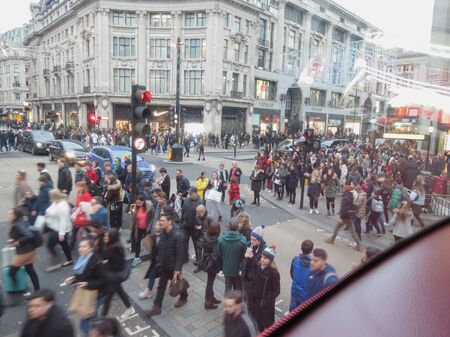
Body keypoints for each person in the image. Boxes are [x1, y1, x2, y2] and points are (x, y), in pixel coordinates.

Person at [145, 212, 188, 316]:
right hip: (164, 265)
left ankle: (184, 297)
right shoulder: (163, 232)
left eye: (163, 221)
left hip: (174, 268)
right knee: (161, 286)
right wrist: (158, 260)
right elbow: (161, 248)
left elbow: (180, 254)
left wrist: (177, 269)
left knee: (178, 285)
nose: (161, 223)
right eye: (160, 221)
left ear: (169, 222)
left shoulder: (177, 236)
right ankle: (157, 307)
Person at [64, 238, 107, 337]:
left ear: (91, 248)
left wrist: (88, 284)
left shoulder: (96, 262)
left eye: (84, 246)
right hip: (88, 293)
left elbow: (104, 280)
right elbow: (81, 274)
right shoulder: (83, 259)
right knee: (93, 318)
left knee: (84, 325)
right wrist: (74, 278)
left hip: (97, 295)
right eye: (80, 246)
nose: (80, 249)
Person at [101, 229, 134, 319]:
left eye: (107, 236)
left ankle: (103, 318)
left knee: (108, 297)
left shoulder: (115, 249)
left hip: (115, 275)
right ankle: (130, 308)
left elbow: (117, 265)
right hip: (114, 274)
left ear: (112, 238)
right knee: (120, 291)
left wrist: (106, 263)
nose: (105, 237)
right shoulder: (112, 246)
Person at [246, 245, 280, 332]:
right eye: (262, 257)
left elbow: (276, 290)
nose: (262, 259)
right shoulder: (257, 265)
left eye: (265, 258)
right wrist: (249, 259)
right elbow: (249, 275)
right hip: (254, 298)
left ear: (271, 260)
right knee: (255, 319)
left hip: (264, 303)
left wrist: (267, 300)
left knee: (264, 322)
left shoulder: (273, 273)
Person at [8, 207, 40, 292]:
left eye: (11, 214)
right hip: (29, 250)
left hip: (25, 252)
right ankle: (37, 289)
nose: (9, 215)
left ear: (15, 215)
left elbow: (29, 235)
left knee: (11, 272)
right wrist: (13, 240)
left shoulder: (17, 224)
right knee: (30, 270)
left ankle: (16, 287)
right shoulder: (22, 220)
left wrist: (18, 242)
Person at [325, 185, 363, 251]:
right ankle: (359, 245)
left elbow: (344, 208)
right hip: (349, 216)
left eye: (344, 188)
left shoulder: (345, 197)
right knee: (353, 231)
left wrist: (341, 217)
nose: (343, 189)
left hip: (344, 217)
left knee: (337, 228)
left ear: (346, 190)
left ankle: (331, 240)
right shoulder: (350, 196)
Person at [44, 189, 73, 272]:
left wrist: (61, 234)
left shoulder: (62, 206)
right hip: (57, 228)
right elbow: (52, 210)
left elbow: (64, 220)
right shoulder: (56, 202)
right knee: (64, 244)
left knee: (50, 245)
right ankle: (69, 260)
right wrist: (48, 214)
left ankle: (57, 260)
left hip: (59, 230)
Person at [218, 220, 247, 293]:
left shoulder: (221, 239)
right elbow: (245, 256)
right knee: (237, 289)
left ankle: (227, 304)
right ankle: (236, 304)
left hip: (226, 268)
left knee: (227, 288)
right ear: (238, 228)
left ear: (229, 228)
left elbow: (218, 255)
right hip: (238, 270)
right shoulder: (243, 240)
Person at [289, 239, 314, 312]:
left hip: (295, 291)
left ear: (301, 248)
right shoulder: (314, 265)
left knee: (292, 311)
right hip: (306, 294)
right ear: (311, 250)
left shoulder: (295, 259)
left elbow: (292, 274)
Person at [181, 186, 204, 264]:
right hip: (186, 226)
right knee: (184, 243)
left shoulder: (201, 202)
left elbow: (202, 216)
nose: (189, 195)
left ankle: (198, 259)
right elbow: (183, 211)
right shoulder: (186, 200)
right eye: (189, 193)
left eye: (191, 193)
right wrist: (182, 222)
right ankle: (184, 258)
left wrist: (200, 226)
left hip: (195, 228)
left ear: (195, 193)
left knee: (196, 244)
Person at [139, 221, 161, 300]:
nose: (155, 226)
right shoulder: (156, 236)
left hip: (161, 262)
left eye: (158, 225)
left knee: (168, 275)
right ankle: (149, 291)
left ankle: (182, 291)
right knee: (152, 274)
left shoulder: (162, 237)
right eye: (155, 225)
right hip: (156, 261)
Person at [202, 221, 221, 309]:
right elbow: (215, 255)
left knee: (210, 282)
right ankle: (208, 302)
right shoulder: (216, 241)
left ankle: (211, 297)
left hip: (206, 262)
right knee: (210, 283)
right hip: (212, 264)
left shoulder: (206, 237)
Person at [131, 195, 154, 267]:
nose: (137, 204)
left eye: (139, 203)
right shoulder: (135, 207)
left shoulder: (149, 206)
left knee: (149, 242)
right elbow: (133, 218)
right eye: (136, 202)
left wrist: (149, 228)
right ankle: (137, 257)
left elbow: (153, 217)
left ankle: (153, 255)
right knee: (137, 242)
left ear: (143, 201)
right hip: (138, 228)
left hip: (147, 228)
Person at [71, 181, 93, 248]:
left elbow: (89, 207)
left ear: (82, 187)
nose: (76, 188)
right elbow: (78, 203)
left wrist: (81, 209)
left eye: (77, 187)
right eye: (76, 186)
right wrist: (75, 208)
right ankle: (71, 244)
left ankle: (91, 243)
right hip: (78, 215)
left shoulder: (87, 195)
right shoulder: (79, 193)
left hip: (83, 217)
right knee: (74, 231)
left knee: (87, 231)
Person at [193, 204, 213, 273]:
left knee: (206, 252)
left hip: (208, 237)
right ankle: (199, 266)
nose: (197, 214)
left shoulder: (209, 218)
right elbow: (194, 225)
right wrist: (197, 227)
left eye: (198, 213)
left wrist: (208, 232)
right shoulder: (197, 217)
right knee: (199, 251)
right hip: (201, 236)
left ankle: (205, 265)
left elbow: (214, 227)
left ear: (202, 212)